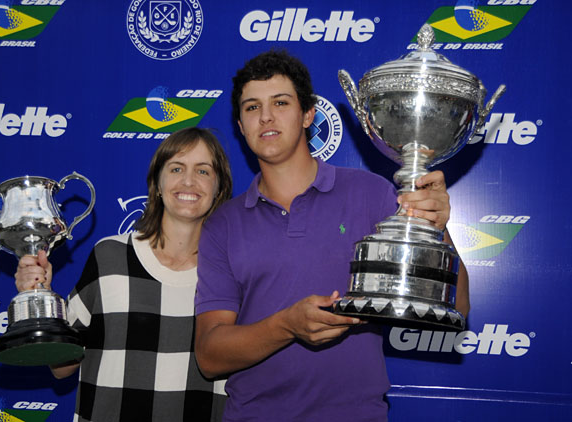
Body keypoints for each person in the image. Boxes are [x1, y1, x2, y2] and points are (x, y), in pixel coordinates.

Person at [194, 50, 470, 421]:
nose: (266, 117)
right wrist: (286, 325)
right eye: (251, 107)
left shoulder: (371, 194)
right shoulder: (222, 224)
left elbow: (458, 306)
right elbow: (210, 356)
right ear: (241, 126)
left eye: (280, 102)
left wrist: (433, 224)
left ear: (309, 114)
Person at [15, 127, 233, 422]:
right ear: (157, 183)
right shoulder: (110, 257)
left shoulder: (234, 272)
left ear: (219, 187)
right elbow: (61, 367)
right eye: (176, 168)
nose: (188, 180)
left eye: (204, 171)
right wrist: (39, 299)